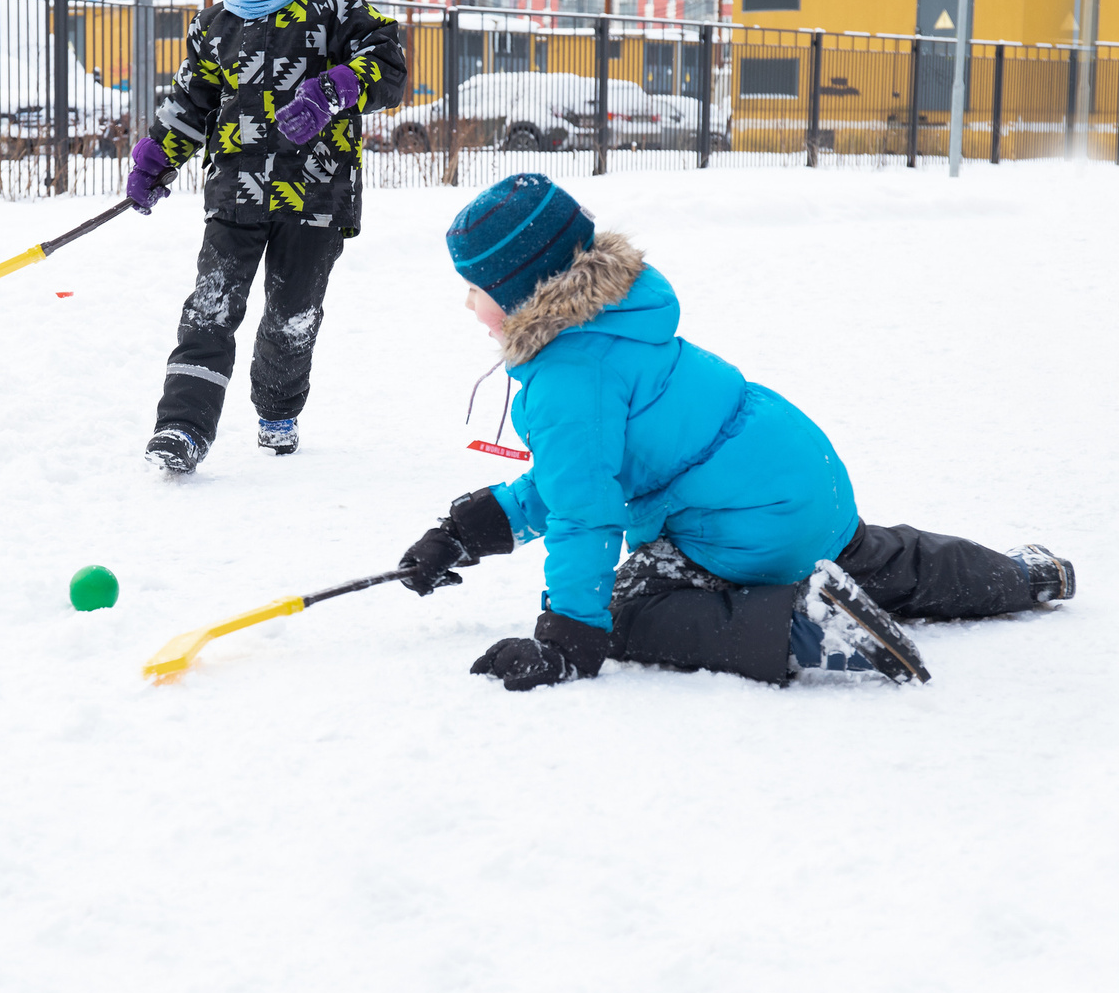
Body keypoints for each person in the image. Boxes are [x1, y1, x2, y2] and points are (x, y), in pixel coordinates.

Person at [395, 173, 1075, 690]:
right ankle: (1022, 575)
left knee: (626, 610)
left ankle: (802, 623)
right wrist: (470, 530)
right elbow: (584, 473)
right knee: (886, 559)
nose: (469, 304)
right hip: (800, 479)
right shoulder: (620, 314)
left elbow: (583, 507)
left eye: (477, 287)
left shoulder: (570, 378)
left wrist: (571, 636)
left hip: (745, 525)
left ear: (524, 289)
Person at [132, 0, 407, 473]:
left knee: (290, 317)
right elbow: (192, 103)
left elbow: (389, 63)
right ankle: (182, 427)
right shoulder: (216, 23)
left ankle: (278, 409)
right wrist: (157, 157)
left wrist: (332, 90)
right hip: (233, 193)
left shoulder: (334, 8)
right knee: (209, 309)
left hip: (315, 198)